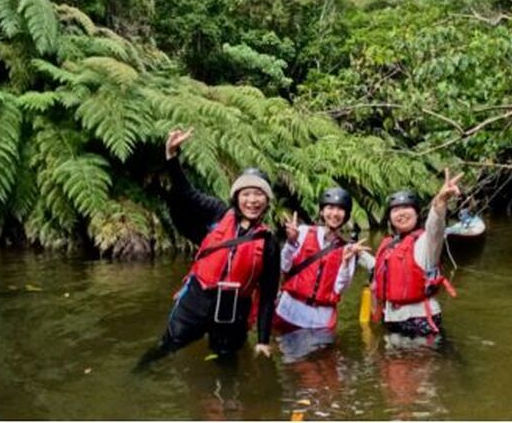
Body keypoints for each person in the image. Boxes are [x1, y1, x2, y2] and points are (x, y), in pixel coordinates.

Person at [137, 128, 279, 367]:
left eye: (259, 195)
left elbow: (267, 296)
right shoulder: (217, 213)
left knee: (227, 363)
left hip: (233, 312)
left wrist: (263, 340)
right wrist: (172, 157)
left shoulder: (269, 243)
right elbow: (186, 193)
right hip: (197, 299)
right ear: (237, 197)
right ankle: (140, 375)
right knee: (167, 347)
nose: (252, 200)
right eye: (246, 194)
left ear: (266, 201)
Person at [371, 168, 463, 338]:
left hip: (420, 320)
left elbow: (435, 227)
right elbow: (378, 267)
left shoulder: (426, 243)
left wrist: (440, 202)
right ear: (389, 218)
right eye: (395, 210)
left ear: (416, 213)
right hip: (392, 318)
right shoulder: (389, 244)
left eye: (406, 207)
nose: (401, 213)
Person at [275, 187, 370, 334]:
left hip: (320, 317)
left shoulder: (348, 248)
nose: (335, 213)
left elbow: (339, 289)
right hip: (290, 309)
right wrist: (291, 242)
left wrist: (345, 262)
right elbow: (284, 267)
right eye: (330, 208)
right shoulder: (303, 232)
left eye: (340, 209)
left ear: (346, 215)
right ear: (321, 211)